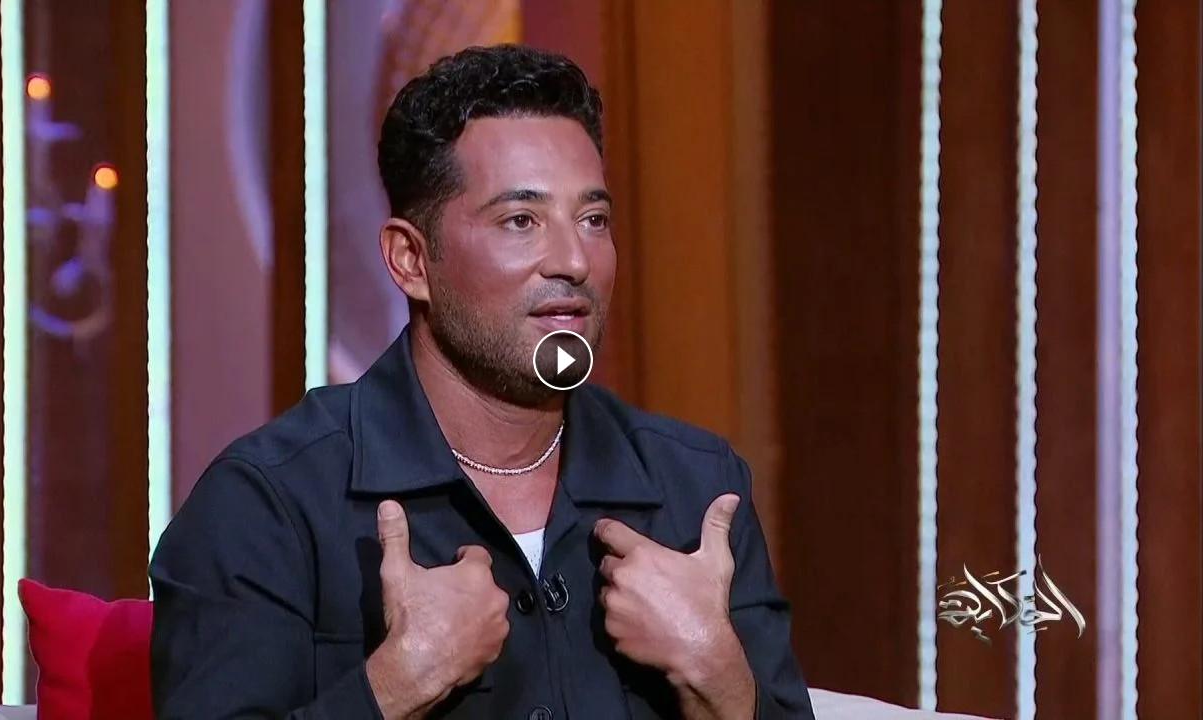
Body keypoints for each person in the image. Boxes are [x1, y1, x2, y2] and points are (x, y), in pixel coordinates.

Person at [150, 44, 814, 719]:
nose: (574, 260)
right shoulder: (269, 503)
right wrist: (397, 685)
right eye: (521, 221)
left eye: (593, 220)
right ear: (411, 261)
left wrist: (713, 672)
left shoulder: (696, 489)